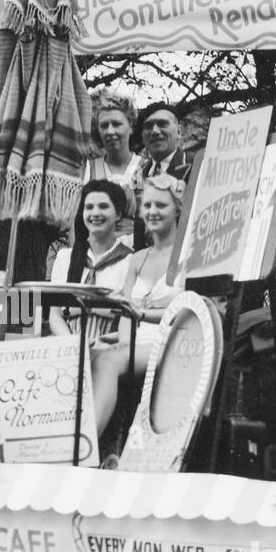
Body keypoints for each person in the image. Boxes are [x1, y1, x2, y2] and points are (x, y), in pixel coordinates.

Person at [88, 172, 189, 442]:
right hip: (137, 346)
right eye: (147, 205)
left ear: (177, 209)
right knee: (92, 353)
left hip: (171, 342)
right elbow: (125, 312)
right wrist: (122, 342)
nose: (152, 211)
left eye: (161, 205)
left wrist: (141, 314)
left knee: (109, 359)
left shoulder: (188, 255)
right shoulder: (138, 259)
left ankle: (87, 445)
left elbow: (186, 310)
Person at [49, 179, 134, 341]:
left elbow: (129, 321)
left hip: (108, 349)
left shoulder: (129, 261)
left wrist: (98, 345)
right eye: (89, 207)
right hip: (67, 349)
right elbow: (55, 316)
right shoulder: (65, 258)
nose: (95, 213)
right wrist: (73, 345)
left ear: (118, 214)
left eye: (103, 206)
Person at [132, 101, 193, 248]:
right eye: (148, 126)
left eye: (162, 124)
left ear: (179, 131)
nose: (154, 131)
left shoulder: (196, 165)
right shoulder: (139, 174)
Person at [84, 95, 141, 242]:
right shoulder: (88, 170)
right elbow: (76, 224)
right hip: (96, 255)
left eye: (116, 124)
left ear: (131, 126)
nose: (110, 131)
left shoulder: (147, 168)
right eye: (104, 125)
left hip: (139, 253)